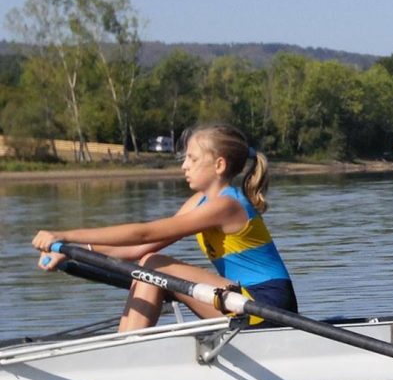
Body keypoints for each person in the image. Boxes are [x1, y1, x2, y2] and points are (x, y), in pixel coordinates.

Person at [32, 123, 297, 332]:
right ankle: (126, 344)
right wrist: (70, 250)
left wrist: (64, 234)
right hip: (237, 301)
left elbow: (144, 232)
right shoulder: (199, 203)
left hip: (266, 306)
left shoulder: (227, 206)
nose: (184, 166)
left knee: (154, 265)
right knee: (149, 262)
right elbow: (137, 248)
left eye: (192, 159)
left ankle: (130, 349)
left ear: (219, 165)